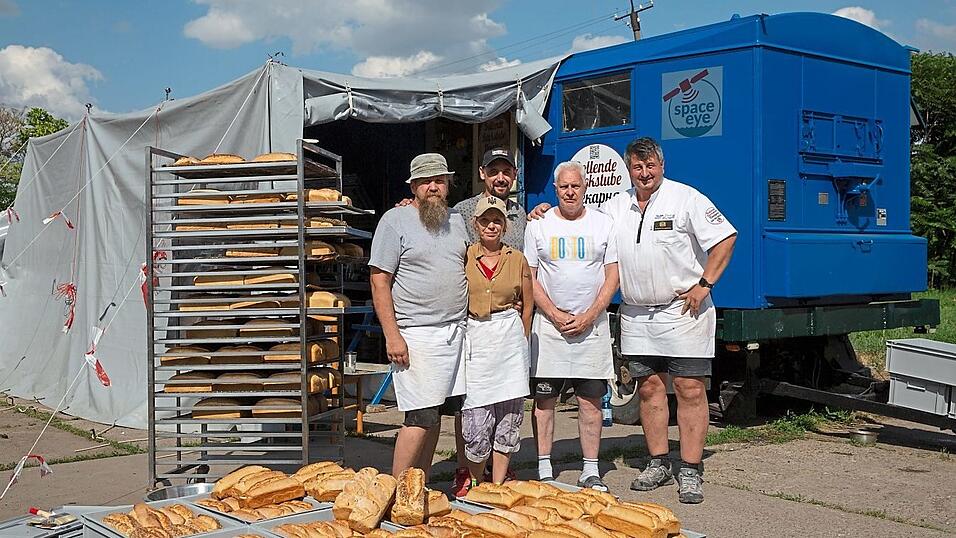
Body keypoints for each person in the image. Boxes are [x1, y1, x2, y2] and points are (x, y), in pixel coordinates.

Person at [533, 137, 737, 503]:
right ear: (629, 170)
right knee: (649, 389)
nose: (644, 173)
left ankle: (690, 470)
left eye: (650, 166)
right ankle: (658, 461)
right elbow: (579, 218)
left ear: (662, 165)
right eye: (637, 167)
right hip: (637, 314)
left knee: (690, 389)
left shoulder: (686, 198)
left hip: (682, 312)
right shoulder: (616, 205)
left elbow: (726, 237)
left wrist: (705, 285)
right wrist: (544, 211)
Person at [369, 153, 470, 479]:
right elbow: (379, 279)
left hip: (455, 333)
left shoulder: (456, 219)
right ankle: (395, 490)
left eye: (439, 180)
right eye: (425, 181)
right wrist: (392, 335)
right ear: (413, 186)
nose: (433, 187)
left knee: (437, 416)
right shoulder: (394, 221)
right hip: (415, 334)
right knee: (420, 416)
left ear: (448, 184)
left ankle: (418, 487)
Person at [523, 161, 619, 492]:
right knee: (544, 402)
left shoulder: (603, 224)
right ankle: (544, 467)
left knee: (591, 401)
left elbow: (613, 275)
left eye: (575, 186)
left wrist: (591, 314)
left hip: (591, 328)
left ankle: (590, 470)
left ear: (586, 186)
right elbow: (529, 277)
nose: (570, 191)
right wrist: (552, 312)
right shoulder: (538, 224)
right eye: (563, 186)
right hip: (549, 328)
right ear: (555, 188)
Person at [460, 195, 534, 488]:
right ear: (475, 224)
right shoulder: (464, 256)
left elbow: (527, 304)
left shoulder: (517, 259)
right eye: (485, 221)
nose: (491, 226)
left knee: (508, 415)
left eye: (497, 221)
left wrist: (523, 335)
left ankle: (498, 484)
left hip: (508, 338)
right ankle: (477, 482)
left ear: (505, 225)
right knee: (476, 417)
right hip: (477, 335)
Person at [455, 148, 527, 247]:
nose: (501, 179)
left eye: (506, 172)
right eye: (493, 172)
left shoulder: (519, 213)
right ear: (482, 173)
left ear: (515, 174)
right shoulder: (463, 211)